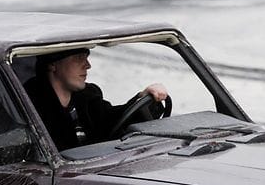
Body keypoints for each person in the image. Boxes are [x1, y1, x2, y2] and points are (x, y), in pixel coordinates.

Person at [24, 48, 168, 151]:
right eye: (79, 58)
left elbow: (114, 120)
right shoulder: (28, 103)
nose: (88, 65)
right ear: (52, 64)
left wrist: (144, 97)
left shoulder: (88, 96)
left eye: (87, 57)